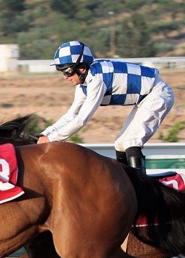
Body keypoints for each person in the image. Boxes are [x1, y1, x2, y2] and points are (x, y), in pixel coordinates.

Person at [38, 40, 175, 172]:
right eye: (61, 71)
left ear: (82, 68)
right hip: (146, 97)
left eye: (67, 71)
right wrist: (46, 133)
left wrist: (52, 139)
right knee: (120, 144)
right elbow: (71, 115)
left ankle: (140, 189)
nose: (65, 77)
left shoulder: (97, 79)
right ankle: (128, 184)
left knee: (131, 142)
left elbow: (81, 119)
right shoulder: (83, 84)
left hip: (157, 94)